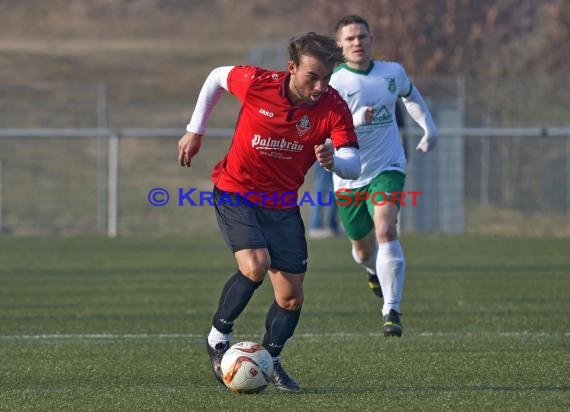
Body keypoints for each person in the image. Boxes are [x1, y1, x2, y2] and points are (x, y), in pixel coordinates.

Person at [178, 32, 360, 392]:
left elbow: (353, 163)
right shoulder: (257, 82)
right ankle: (218, 337)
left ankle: (270, 359)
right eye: (313, 76)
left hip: (281, 204)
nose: (321, 85)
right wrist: (194, 130)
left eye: (327, 77)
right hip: (236, 191)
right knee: (255, 265)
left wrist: (335, 162)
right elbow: (216, 76)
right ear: (291, 68)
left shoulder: (334, 107)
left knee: (291, 297)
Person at [331, 15, 438, 337]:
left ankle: (391, 309)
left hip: (388, 167)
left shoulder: (392, 72)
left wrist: (429, 128)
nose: (357, 42)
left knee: (385, 228)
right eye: (349, 38)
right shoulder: (333, 83)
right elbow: (320, 131)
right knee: (363, 250)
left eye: (362, 36)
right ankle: (371, 269)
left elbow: (411, 96)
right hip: (349, 175)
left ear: (371, 39)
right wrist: (354, 120)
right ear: (340, 46)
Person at [307, 161, 340, 239]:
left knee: (322, 187)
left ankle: (321, 225)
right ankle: (320, 225)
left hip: (322, 156)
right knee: (327, 188)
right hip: (329, 154)